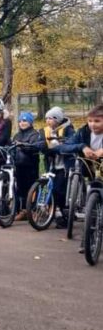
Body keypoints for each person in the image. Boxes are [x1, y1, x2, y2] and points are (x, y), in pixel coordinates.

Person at [57, 104, 103, 253]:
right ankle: (87, 240)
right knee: (92, 204)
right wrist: (82, 147)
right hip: (92, 172)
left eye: (97, 121)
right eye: (90, 121)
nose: (92, 124)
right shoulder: (83, 132)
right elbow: (63, 147)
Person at [41, 107, 75, 228]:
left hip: (64, 166)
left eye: (51, 118)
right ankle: (53, 212)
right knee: (51, 188)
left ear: (58, 119)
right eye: (47, 118)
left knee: (60, 190)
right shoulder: (47, 131)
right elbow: (42, 143)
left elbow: (71, 142)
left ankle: (64, 215)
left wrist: (61, 144)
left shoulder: (68, 129)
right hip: (52, 165)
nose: (48, 121)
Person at [12, 112, 44, 222]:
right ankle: (24, 211)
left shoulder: (34, 134)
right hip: (19, 166)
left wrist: (22, 146)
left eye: (25, 121)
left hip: (30, 166)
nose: (22, 123)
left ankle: (33, 210)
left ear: (30, 122)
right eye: (20, 121)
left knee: (32, 189)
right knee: (21, 189)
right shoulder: (17, 135)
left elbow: (34, 148)